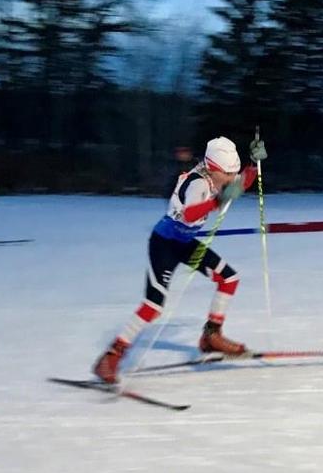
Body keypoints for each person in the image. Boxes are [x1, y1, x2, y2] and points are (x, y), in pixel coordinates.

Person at [93, 135, 268, 384]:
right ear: (213, 168)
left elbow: (242, 182)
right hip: (164, 244)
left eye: (232, 173)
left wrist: (254, 164)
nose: (231, 178)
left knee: (229, 279)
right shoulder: (196, 182)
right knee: (153, 306)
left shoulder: (219, 177)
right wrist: (220, 199)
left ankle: (211, 337)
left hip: (185, 244)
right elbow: (189, 214)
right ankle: (110, 358)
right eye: (227, 174)